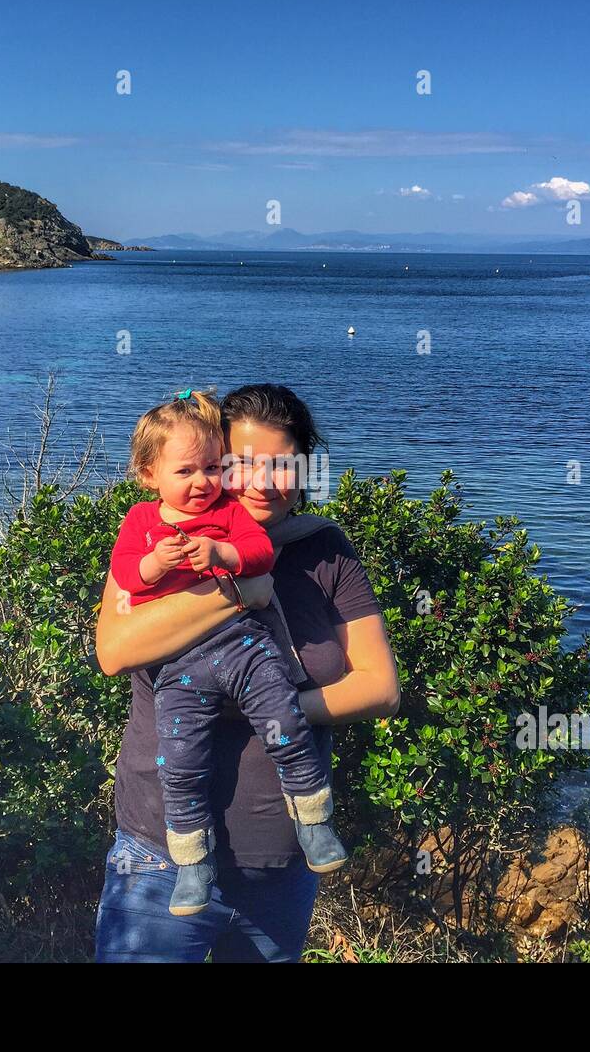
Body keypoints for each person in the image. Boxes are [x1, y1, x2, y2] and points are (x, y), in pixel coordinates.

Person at [94, 383, 400, 962]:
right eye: (240, 464)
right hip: (159, 854)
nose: (262, 481)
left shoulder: (324, 550)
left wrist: (270, 706)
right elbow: (114, 651)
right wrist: (241, 593)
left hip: (279, 862)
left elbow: (379, 687)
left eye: (281, 464)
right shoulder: (161, 537)